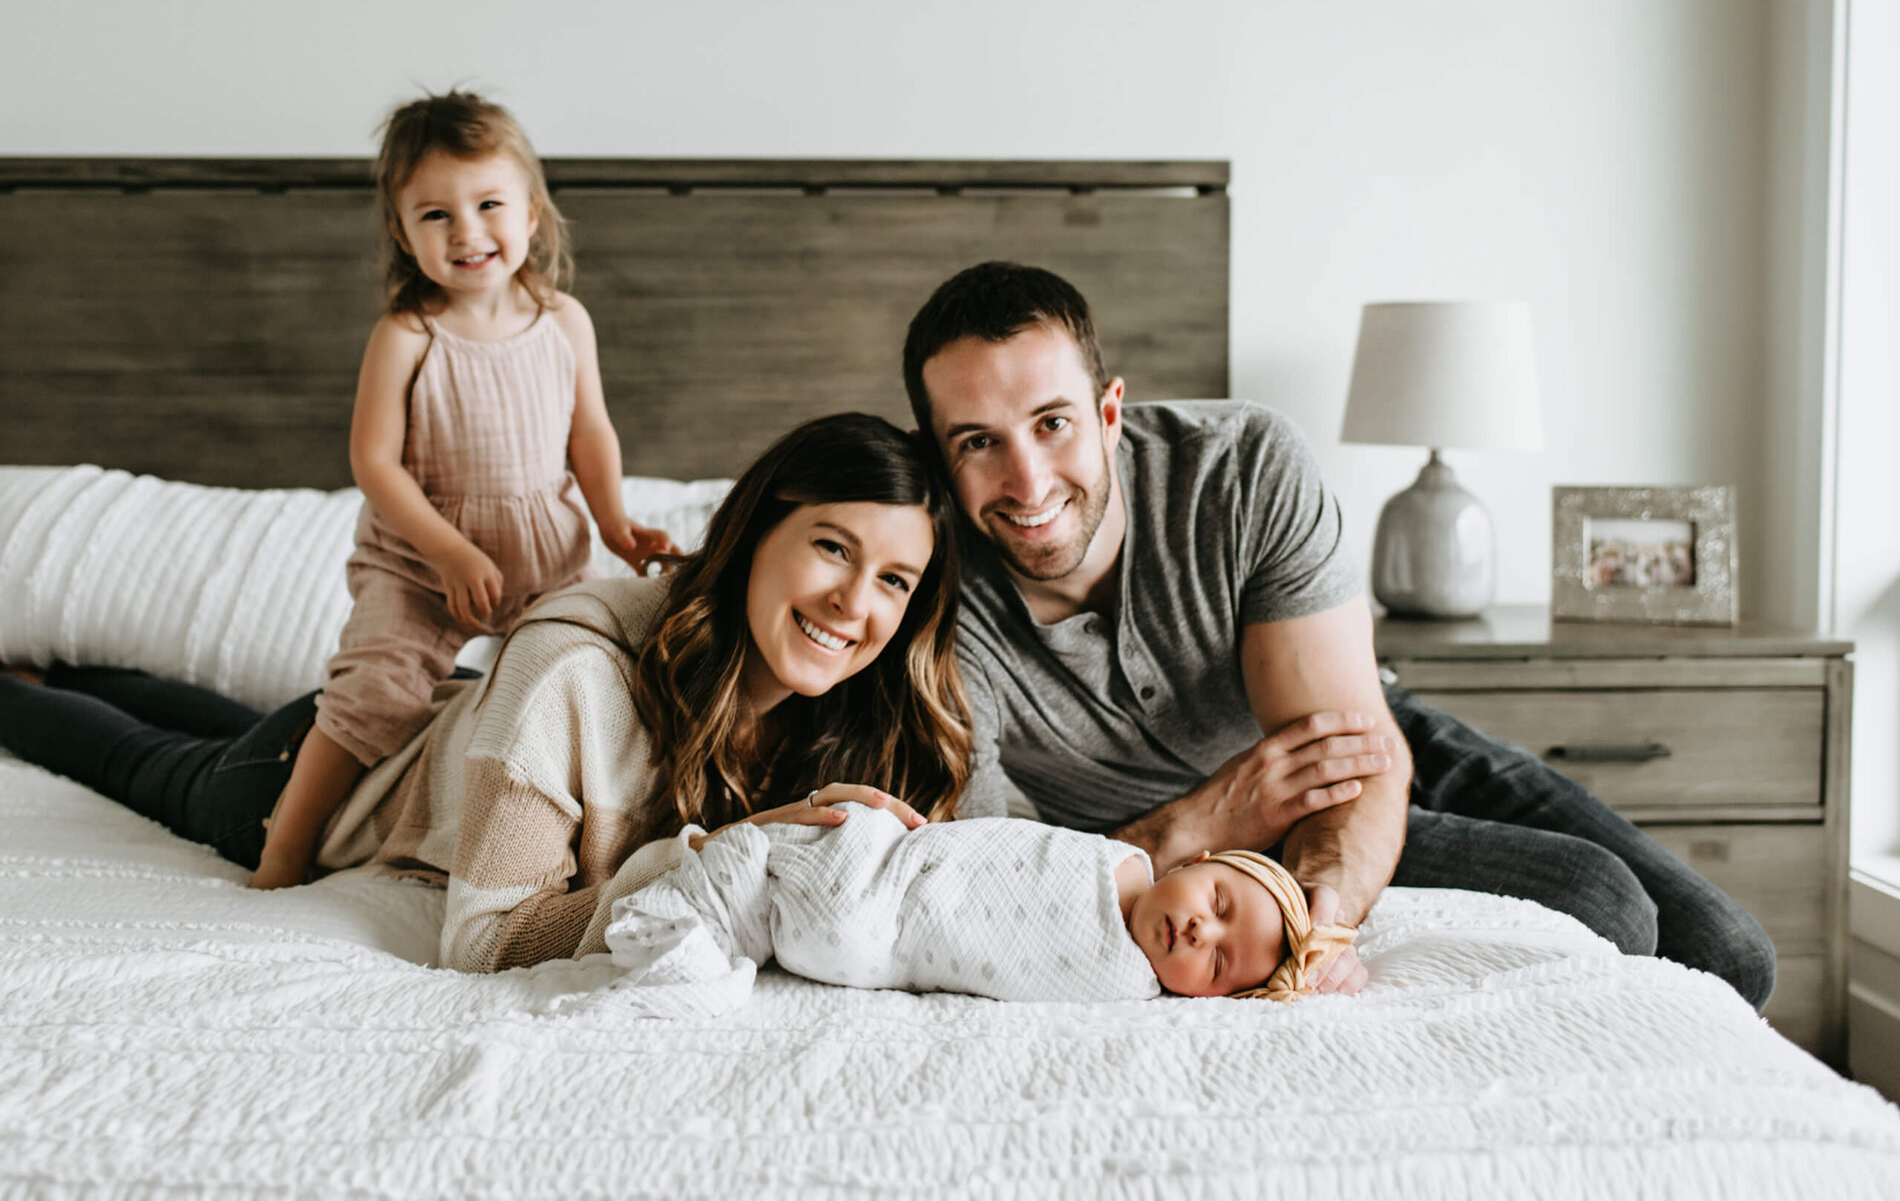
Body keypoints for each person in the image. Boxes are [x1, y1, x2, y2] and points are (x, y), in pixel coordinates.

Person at [898, 260, 1777, 1010]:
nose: (1026, 479)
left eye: (1052, 423)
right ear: (937, 454)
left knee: (1731, 949)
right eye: (978, 441)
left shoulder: (1240, 466)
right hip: (1217, 841)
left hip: (1358, 752)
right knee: (1607, 907)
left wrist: (1321, 926)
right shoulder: (920, 590)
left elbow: (1345, 750)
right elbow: (993, 882)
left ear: (1109, 411)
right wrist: (1201, 826)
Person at [0, 414, 980, 973]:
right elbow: (484, 935)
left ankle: (83, 672)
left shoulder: (866, 710)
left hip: (439, 727)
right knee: (138, 757)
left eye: (894, 580)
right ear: (753, 534)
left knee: (184, 711)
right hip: (313, 785)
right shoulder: (572, 672)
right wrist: (723, 851)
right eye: (831, 547)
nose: (855, 603)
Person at [249, 91, 681, 890]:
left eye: (488, 205)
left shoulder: (563, 321)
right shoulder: (408, 335)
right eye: (436, 215)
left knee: (604, 682)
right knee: (370, 696)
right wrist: (447, 551)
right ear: (401, 233)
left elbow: (589, 434)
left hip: (545, 553)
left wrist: (617, 524)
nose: (468, 231)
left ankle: (604, 838)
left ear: (533, 214)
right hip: (421, 561)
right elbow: (375, 463)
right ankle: (281, 854)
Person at [601, 800, 1354, 1009]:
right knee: (803, 862)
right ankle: (713, 882)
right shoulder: (1116, 857)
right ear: (1194, 862)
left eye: (1217, 961)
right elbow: (999, 844)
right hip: (885, 854)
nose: (1198, 929)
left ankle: (707, 920)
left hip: (875, 936)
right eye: (1217, 901)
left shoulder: (1124, 983)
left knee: (833, 926)